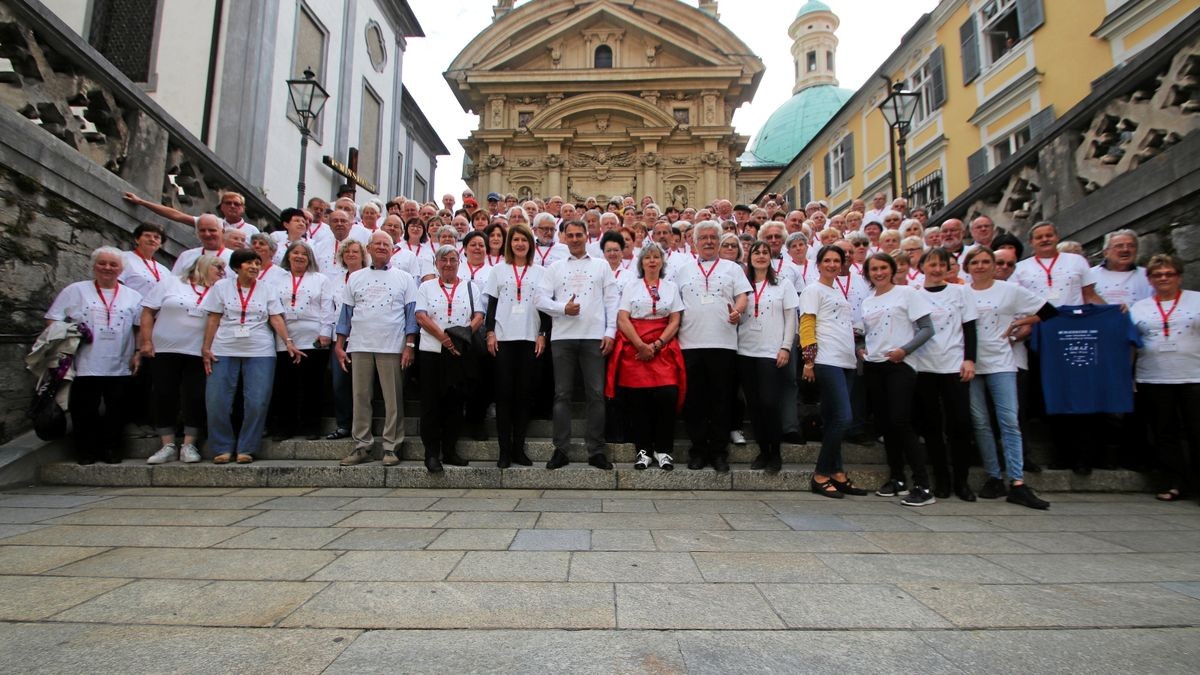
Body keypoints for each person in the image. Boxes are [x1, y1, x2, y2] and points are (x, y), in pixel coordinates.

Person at [964, 247, 1056, 509]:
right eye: (975, 262)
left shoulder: (1009, 290)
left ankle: (1017, 481)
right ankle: (994, 476)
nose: (980, 266)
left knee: (1009, 420)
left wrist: (1020, 323)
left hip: (1002, 362)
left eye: (985, 262)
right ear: (968, 266)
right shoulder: (962, 292)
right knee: (980, 422)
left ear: (994, 266)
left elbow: (1048, 311)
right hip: (970, 363)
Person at [200, 249, 304, 464]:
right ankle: (222, 446)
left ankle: (247, 447)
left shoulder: (267, 289)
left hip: (259, 349)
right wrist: (206, 347)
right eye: (249, 263)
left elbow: (276, 318)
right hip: (224, 348)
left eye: (257, 263)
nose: (254, 267)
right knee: (217, 400)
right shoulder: (221, 287)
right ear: (237, 266)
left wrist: (288, 342)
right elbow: (213, 318)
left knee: (257, 400)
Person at [45, 246, 143, 464]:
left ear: (121, 269)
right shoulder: (76, 290)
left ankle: (112, 450)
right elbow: (53, 318)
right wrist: (64, 341)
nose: (107, 268)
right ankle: (86, 451)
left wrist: (138, 352)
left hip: (119, 361)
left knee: (116, 409)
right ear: (93, 266)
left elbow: (138, 327)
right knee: (84, 409)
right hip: (84, 362)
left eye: (113, 264)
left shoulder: (133, 296)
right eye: (102, 263)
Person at [536, 220, 619, 470]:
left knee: (596, 394)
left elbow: (612, 300)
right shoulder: (554, 267)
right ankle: (561, 449)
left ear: (587, 237)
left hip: (594, 336)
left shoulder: (601, 266)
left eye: (578, 235)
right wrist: (563, 308)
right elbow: (539, 299)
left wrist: (610, 331)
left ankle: (596, 450)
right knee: (562, 394)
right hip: (562, 337)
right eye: (569, 235)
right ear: (563, 237)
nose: (574, 239)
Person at [669, 221, 751, 472]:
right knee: (694, 401)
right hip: (689, 344)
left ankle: (718, 452)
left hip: (723, 343)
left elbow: (743, 296)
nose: (707, 242)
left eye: (712, 238)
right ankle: (698, 451)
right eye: (702, 238)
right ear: (694, 242)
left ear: (719, 241)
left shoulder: (732, 268)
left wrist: (737, 311)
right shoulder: (682, 269)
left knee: (721, 400)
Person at [335, 231, 419, 466]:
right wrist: (339, 344)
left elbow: (411, 315)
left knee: (393, 398)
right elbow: (345, 314)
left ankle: (391, 446)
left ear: (393, 250)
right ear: (368, 249)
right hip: (360, 344)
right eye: (377, 244)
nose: (382, 247)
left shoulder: (404, 278)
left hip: (391, 344)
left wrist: (409, 345)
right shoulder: (356, 277)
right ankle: (362, 445)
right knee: (361, 396)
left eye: (387, 244)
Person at [858, 252, 936, 506]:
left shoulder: (908, 294)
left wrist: (905, 350)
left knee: (900, 420)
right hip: (875, 365)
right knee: (885, 424)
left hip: (900, 365)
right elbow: (864, 334)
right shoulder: (868, 301)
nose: (879, 273)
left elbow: (927, 329)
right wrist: (860, 348)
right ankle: (897, 478)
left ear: (892, 269)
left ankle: (923, 485)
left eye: (883, 268)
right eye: (874, 269)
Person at [139, 255, 225, 464]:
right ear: (203, 266)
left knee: (194, 395)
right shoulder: (171, 283)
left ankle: (189, 443)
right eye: (218, 268)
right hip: (165, 348)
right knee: (163, 393)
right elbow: (148, 312)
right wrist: (146, 341)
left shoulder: (219, 290)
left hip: (199, 352)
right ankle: (167, 443)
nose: (222, 272)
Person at [798, 246, 868, 498]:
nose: (832, 264)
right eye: (827, 260)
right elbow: (806, 324)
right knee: (843, 417)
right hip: (826, 359)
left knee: (831, 419)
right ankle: (820, 474)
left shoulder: (837, 290)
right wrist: (808, 361)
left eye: (836, 261)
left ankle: (837, 472)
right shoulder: (813, 290)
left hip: (846, 360)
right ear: (818, 264)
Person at [608, 242, 684, 471]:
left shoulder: (671, 287)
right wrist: (640, 345)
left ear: (662, 262)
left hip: (663, 348)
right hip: (635, 349)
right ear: (641, 262)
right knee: (638, 402)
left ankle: (663, 450)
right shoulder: (632, 286)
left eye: (656, 257)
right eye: (647, 257)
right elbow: (623, 318)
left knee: (666, 396)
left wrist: (658, 343)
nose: (652, 261)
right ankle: (643, 451)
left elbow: (675, 319)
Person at [1130, 255, 1199, 503]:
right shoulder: (1139, 307)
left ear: (1179, 276)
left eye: (1169, 274)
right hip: (1154, 376)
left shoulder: (1197, 301)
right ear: (1149, 279)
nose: (1163, 279)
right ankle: (1174, 482)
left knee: (1197, 429)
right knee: (1163, 432)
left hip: (1194, 374)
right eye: (1157, 275)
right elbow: (1132, 344)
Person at [911, 248, 978, 501]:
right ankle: (941, 480)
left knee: (960, 424)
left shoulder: (961, 292)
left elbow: (970, 328)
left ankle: (962, 481)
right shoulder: (914, 294)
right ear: (923, 266)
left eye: (942, 264)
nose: (937, 269)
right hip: (924, 367)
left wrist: (970, 359)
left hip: (954, 366)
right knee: (931, 427)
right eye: (932, 264)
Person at [415, 246, 485, 472]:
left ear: (459, 262)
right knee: (431, 404)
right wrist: (445, 339)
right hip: (432, 353)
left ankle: (451, 450)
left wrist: (462, 337)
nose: (448, 264)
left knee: (455, 403)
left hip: (459, 353)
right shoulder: (426, 286)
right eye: (443, 260)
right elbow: (421, 316)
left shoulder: (470, 287)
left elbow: (478, 316)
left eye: (452, 259)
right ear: (436, 264)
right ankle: (431, 454)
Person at [484, 223, 547, 467]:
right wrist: (489, 332)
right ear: (509, 243)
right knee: (504, 395)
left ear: (530, 244)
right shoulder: (498, 271)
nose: (519, 244)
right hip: (503, 338)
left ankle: (519, 448)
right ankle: (504, 451)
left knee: (524, 395)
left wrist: (543, 333)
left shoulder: (540, 272)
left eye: (524, 240)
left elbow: (545, 308)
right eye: (515, 240)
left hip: (530, 338)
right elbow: (491, 305)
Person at [738, 241, 798, 472]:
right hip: (745, 350)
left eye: (764, 252)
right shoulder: (742, 285)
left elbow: (791, 318)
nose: (761, 256)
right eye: (756, 252)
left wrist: (786, 347)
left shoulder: (783, 283)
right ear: (749, 258)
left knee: (770, 402)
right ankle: (763, 451)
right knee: (754, 405)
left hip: (771, 351)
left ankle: (775, 453)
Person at [269, 242, 336, 441]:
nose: (299, 257)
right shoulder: (277, 279)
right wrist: (284, 336)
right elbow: (272, 307)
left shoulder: (320, 279)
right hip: (285, 336)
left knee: (312, 384)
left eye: (304, 254)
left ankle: (311, 426)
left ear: (310, 258)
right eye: (295, 253)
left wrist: (325, 332)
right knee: (284, 383)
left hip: (313, 336)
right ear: (288, 256)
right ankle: (284, 426)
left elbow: (327, 307)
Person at [323, 238, 367, 440]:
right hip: (339, 337)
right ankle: (343, 424)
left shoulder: (368, 277)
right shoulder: (334, 280)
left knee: (363, 385)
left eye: (355, 252)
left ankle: (363, 425)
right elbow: (329, 309)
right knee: (339, 383)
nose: (351, 255)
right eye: (347, 252)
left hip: (363, 337)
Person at [1091, 229, 1152, 307]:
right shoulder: (1090, 275)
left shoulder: (1148, 275)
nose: (1125, 249)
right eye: (1119, 246)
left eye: (1131, 246)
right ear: (1106, 253)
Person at [119, 223, 171, 297]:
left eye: (156, 237)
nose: (152, 239)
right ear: (137, 239)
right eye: (147, 236)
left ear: (160, 244)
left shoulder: (165, 271)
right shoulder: (123, 258)